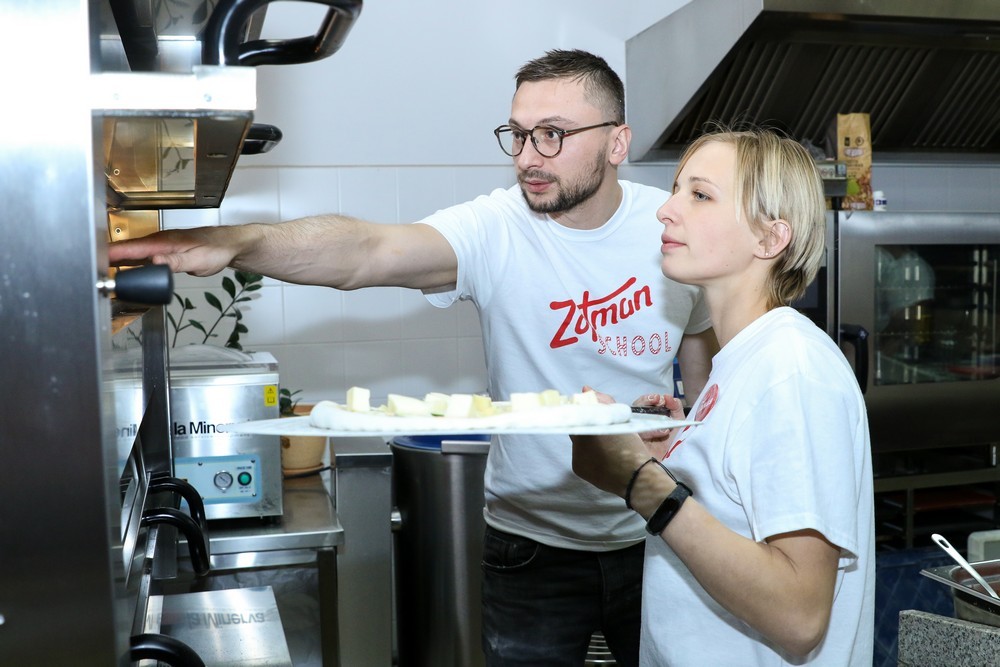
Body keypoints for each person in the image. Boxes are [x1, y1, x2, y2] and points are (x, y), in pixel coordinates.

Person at [109, 49, 717, 666]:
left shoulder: (671, 229)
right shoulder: (496, 227)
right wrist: (239, 241)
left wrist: (687, 435)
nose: (528, 157)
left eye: (553, 135)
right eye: (518, 134)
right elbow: (367, 251)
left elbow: (703, 390)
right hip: (530, 548)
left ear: (617, 143)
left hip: (658, 533)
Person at [571, 128, 875, 665]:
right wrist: (672, 456)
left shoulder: (791, 369)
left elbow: (799, 616)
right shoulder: (740, 360)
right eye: (676, 190)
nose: (665, 210)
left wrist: (641, 484)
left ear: (769, 239)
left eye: (700, 195)